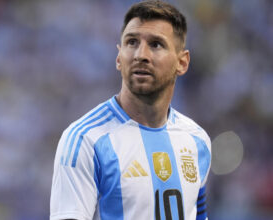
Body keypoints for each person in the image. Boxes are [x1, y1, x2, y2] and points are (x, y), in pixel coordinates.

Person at [50, 1, 211, 220]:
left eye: (156, 44)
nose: (140, 55)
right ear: (119, 58)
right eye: (132, 42)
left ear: (182, 63)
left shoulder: (197, 140)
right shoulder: (85, 140)